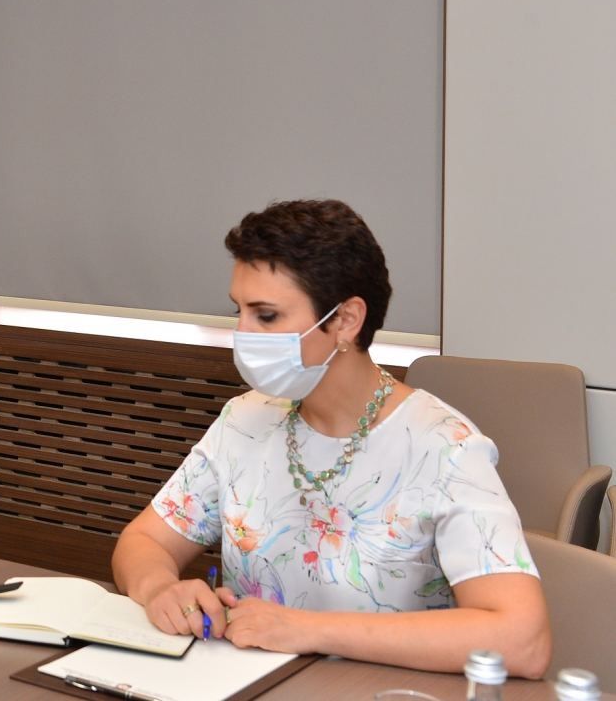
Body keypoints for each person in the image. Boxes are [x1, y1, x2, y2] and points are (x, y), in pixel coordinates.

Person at [112, 199, 550, 677]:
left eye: (266, 316)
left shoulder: (445, 448)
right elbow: (143, 541)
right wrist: (160, 589)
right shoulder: (246, 420)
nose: (242, 334)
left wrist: (307, 629)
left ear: (345, 321)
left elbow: (522, 639)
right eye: (239, 311)